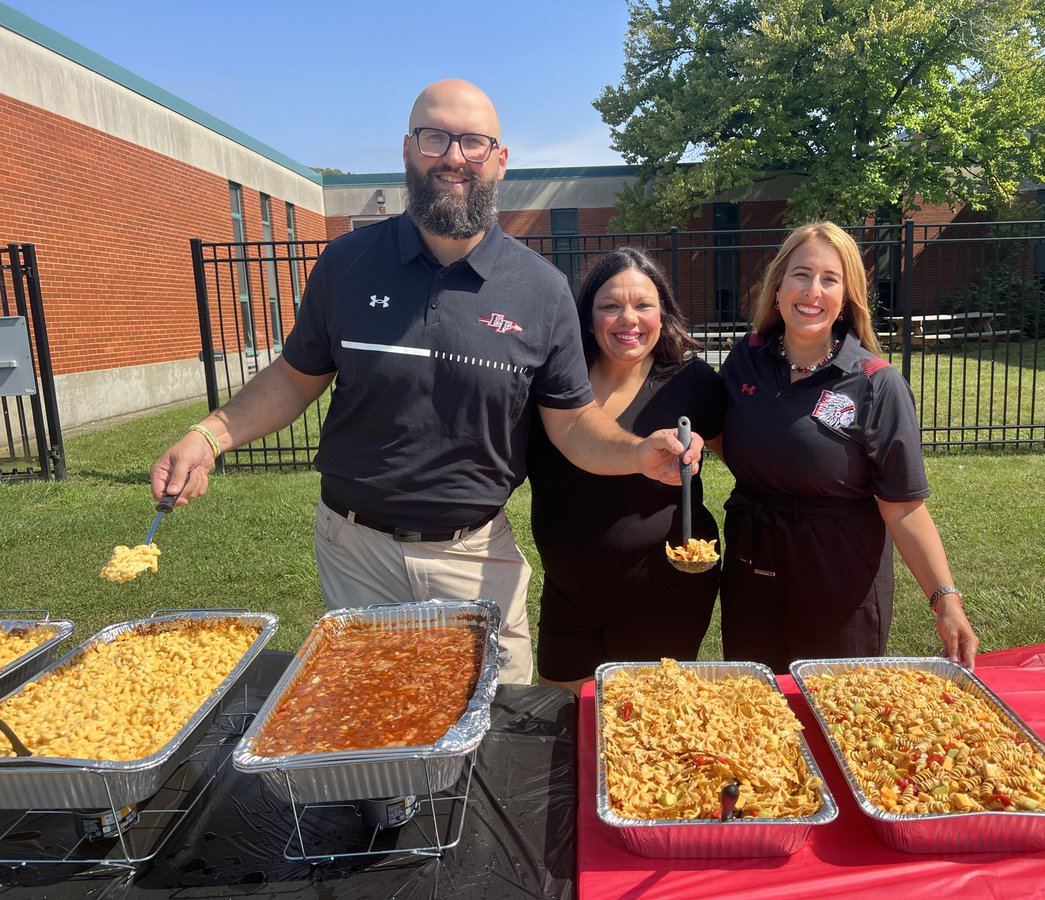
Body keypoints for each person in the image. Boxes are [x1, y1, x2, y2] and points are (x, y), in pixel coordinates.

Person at [149, 79, 701, 686]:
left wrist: (636, 451)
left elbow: (572, 423)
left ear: (500, 159)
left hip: (474, 554)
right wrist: (211, 433)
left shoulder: (541, 290)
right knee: (374, 721)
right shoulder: (346, 263)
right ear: (410, 149)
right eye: (435, 137)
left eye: (472, 141)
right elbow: (293, 377)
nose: (453, 156)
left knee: (498, 728)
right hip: (354, 550)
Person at [710, 221, 979, 673]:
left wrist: (945, 600)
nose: (812, 290)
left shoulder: (877, 383)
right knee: (754, 708)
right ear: (777, 288)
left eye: (829, 279)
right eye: (800, 274)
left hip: (839, 574)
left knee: (834, 705)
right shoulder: (746, 359)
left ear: (845, 299)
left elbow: (904, 508)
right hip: (751, 565)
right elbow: (724, 433)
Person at [526, 249, 726, 693]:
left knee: (642, 733)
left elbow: (751, 459)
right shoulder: (552, 381)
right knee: (562, 720)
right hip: (569, 597)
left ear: (664, 313)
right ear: (587, 315)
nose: (627, 319)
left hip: (665, 596)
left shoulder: (694, 383)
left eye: (643, 305)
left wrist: (693, 448)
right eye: (610, 306)